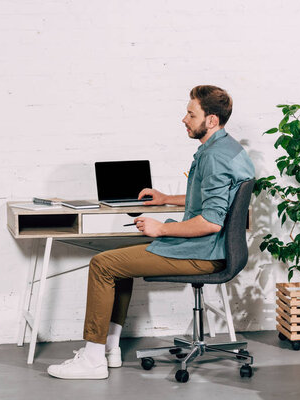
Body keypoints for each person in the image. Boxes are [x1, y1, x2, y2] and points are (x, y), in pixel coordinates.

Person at [47, 85, 255, 380]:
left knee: (102, 264)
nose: (184, 119)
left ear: (211, 120)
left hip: (203, 252)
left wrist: (163, 227)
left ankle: (92, 359)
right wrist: (166, 199)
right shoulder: (228, 149)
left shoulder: (214, 157)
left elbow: (211, 222)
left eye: (191, 113)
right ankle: (110, 348)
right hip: (214, 249)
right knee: (117, 263)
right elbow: (215, 201)